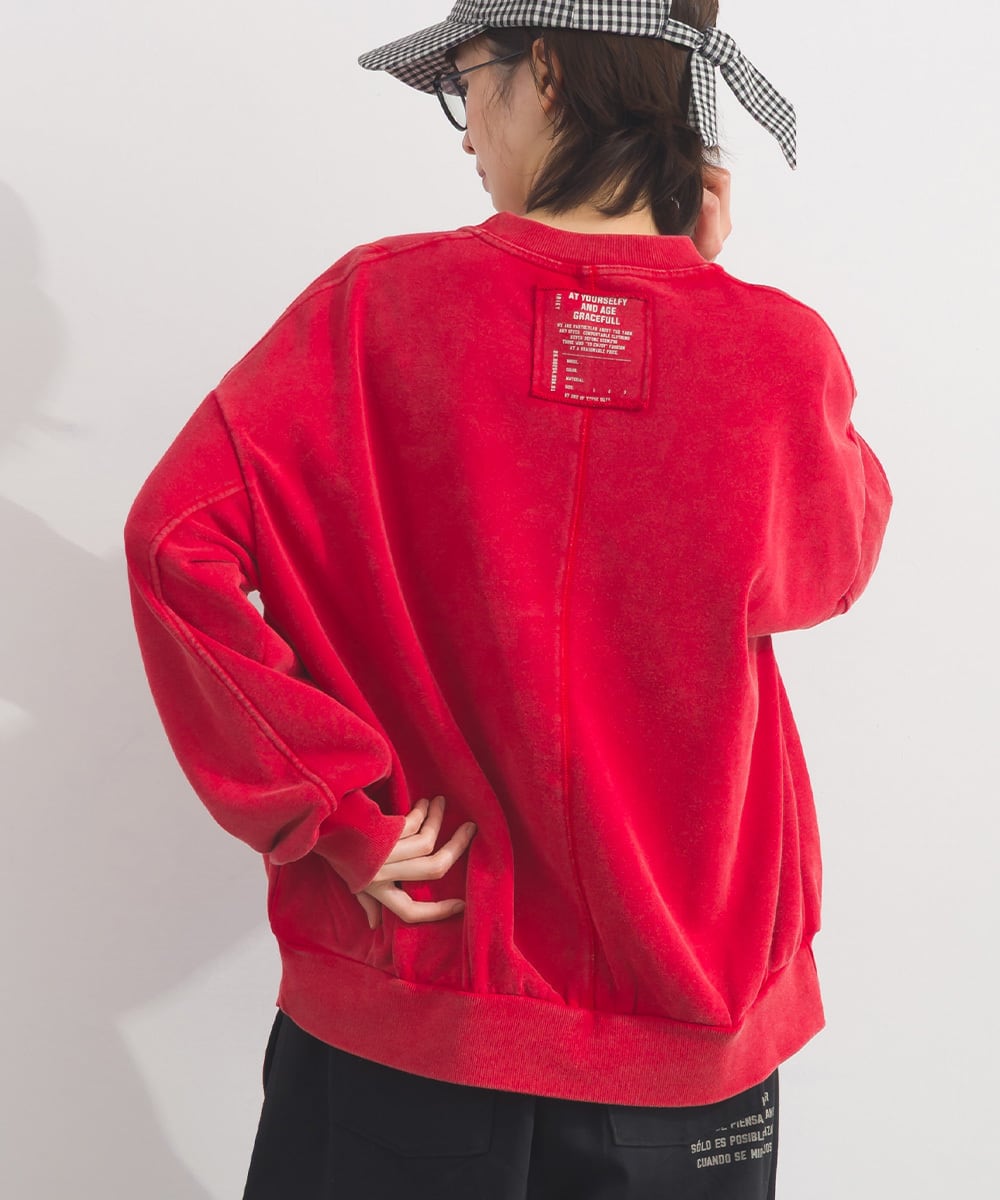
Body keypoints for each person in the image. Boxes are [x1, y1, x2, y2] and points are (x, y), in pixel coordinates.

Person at [122, 2, 893, 1197]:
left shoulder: (373, 309)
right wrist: (699, 289)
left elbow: (175, 542)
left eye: (465, 83)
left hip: (416, 995)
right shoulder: (776, 352)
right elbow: (830, 567)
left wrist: (331, 804)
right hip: (688, 1025)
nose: (464, 131)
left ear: (544, 71)